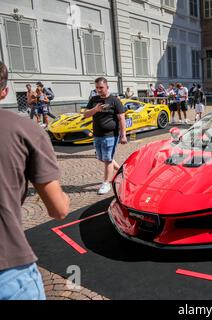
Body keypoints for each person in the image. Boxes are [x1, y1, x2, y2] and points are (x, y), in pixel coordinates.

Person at [0, 61, 70, 300]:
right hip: (7, 265)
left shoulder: (37, 106)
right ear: (4, 91)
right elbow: (59, 209)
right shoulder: (23, 130)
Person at [83, 77, 127, 195]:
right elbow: (86, 115)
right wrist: (95, 109)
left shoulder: (114, 100)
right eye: (97, 88)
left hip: (111, 135)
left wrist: (123, 135)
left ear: (107, 87)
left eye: (101, 87)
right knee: (102, 158)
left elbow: (121, 118)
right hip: (97, 134)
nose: (99, 90)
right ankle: (122, 170)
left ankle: (106, 183)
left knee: (107, 159)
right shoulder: (94, 99)